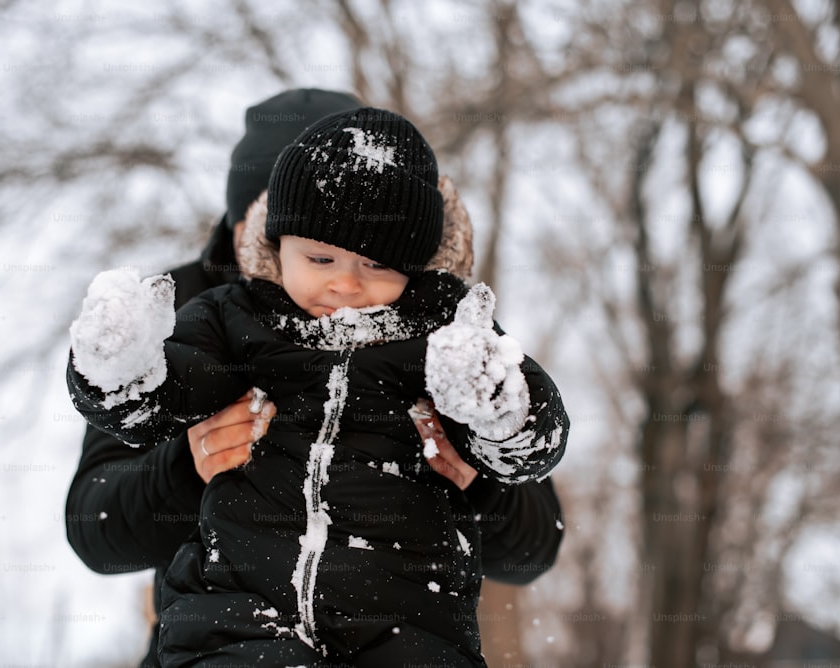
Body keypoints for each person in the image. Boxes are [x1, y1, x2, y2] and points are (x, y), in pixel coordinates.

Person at [63, 90, 565, 665]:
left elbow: (535, 544)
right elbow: (95, 527)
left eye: (372, 255)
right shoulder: (190, 311)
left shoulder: (443, 328)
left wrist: (479, 476)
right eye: (318, 253)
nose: (343, 286)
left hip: (398, 620)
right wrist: (185, 465)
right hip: (233, 632)